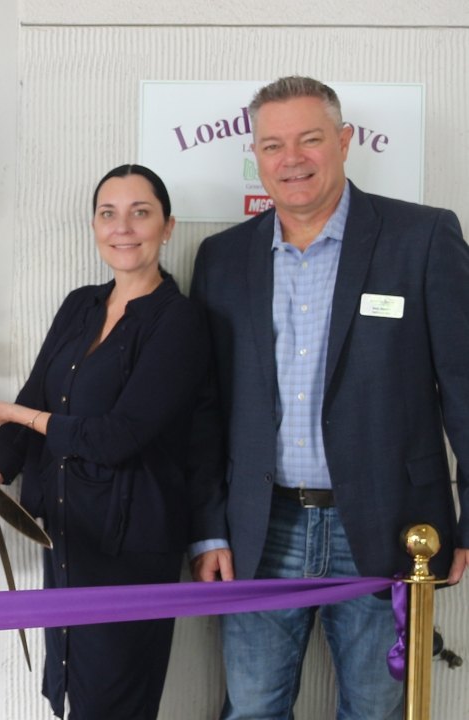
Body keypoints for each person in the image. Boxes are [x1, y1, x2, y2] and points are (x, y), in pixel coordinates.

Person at [190, 76, 469, 719]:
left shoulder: (422, 238)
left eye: (311, 139)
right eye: (273, 145)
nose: (292, 159)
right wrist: (208, 529)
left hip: (391, 525)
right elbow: (205, 410)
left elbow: (462, 387)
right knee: (254, 709)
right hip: (262, 531)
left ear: (343, 142)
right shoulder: (223, 259)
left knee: (375, 710)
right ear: (256, 157)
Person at [0, 164, 215, 718]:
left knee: (114, 698)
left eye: (140, 213)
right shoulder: (80, 304)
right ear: (94, 226)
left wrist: (14, 415)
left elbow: (119, 436)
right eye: (108, 213)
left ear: (168, 227)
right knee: (74, 687)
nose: (123, 227)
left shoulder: (180, 321)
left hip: (133, 543)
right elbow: (35, 396)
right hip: (71, 533)